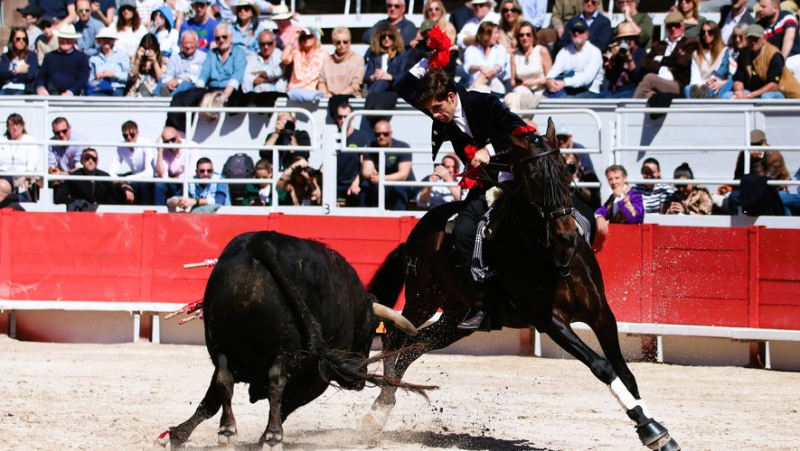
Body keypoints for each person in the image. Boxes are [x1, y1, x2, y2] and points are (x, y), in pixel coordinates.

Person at [395, 42, 530, 330]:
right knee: (464, 232)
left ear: (452, 97)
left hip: (517, 181)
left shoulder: (483, 102)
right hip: (486, 186)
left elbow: (522, 132)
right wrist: (428, 61)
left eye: (437, 108)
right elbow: (402, 87)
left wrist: (490, 151)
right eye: (429, 110)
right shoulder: (442, 112)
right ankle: (482, 304)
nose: (434, 116)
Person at [167, 23, 247, 131]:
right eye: (217, 38)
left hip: (231, 90)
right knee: (183, 96)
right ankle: (179, 126)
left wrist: (224, 95)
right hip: (212, 89)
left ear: (231, 37)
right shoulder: (211, 54)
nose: (221, 40)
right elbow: (204, 74)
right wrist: (197, 92)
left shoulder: (239, 53)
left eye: (224, 37)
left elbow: (237, 75)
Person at [633, 11, 699, 99]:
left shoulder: (689, 43)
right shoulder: (658, 45)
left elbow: (682, 62)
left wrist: (660, 59)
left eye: (677, 26)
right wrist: (660, 67)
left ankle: (629, 109)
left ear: (683, 26)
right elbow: (645, 63)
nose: (673, 29)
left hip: (677, 83)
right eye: (670, 26)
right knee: (649, 95)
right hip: (658, 81)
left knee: (649, 78)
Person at [725, 24, 800, 99]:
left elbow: (773, 85)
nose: (753, 42)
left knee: (766, 97)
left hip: (783, 93)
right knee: (727, 96)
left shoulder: (774, 54)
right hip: (756, 91)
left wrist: (749, 96)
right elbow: (739, 79)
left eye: (756, 39)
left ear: (764, 38)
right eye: (750, 38)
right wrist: (739, 93)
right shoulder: (744, 54)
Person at [358, 120, 415, 210]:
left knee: (398, 187)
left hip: (401, 184)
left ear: (391, 134)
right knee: (365, 185)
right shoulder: (370, 147)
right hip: (379, 183)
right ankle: (364, 216)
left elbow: (403, 175)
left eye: (385, 134)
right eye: (378, 134)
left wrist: (381, 178)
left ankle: (399, 217)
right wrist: (373, 176)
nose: (381, 137)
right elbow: (366, 172)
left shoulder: (402, 146)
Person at [545, 19, 604, 98]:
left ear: (587, 34)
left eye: (580, 31)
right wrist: (549, 80)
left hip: (589, 93)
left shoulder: (595, 52)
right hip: (568, 91)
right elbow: (555, 70)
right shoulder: (564, 51)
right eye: (574, 31)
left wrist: (564, 83)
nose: (577, 34)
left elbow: (586, 78)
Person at [504, 21, 552, 110]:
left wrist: (534, 82)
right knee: (510, 98)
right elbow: (513, 82)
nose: (524, 38)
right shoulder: (514, 55)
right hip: (522, 91)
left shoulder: (541, 51)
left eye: (528, 34)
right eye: (521, 35)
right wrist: (522, 83)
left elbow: (550, 78)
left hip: (540, 93)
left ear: (533, 36)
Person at [54, 148, 124, 209]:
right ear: (81, 161)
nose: (90, 161)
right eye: (87, 158)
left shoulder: (105, 177)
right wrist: (77, 202)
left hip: (102, 216)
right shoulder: (74, 177)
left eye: (94, 159)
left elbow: (114, 199)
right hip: (81, 214)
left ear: (97, 162)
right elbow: (59, 198)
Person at [35, 24, 91, 96]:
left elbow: (82, 79)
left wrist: (70, 92)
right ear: (58, 39)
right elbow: (40, 77)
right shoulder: (49, 57)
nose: (65, 41)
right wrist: (40, 88)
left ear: (74, 40)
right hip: (50, 95)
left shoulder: (82, 58)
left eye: (68, 39)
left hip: (73, 97)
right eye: (62, 38)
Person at [108, 121, 156, 205]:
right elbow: (111, 171)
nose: (129, 138)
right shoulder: (121, 146)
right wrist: (123, 183)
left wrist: (127, 179)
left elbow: (149, 173)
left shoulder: (145, 143)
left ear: (138, 133)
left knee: (144, 186)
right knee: (115, 187)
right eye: (125, 136)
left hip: (148, 180)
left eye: (132, 134)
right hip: (133, 179)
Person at [333, 102, 369, 206]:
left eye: (346, 117)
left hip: (356, 182)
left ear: (352, 118)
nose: (343, 120)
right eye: (340, 117)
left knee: (363, 192)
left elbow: (365, 164)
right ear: (335, 118)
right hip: (336, 183)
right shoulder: (332, 135)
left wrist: (356, 182)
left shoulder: (362, 136)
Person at [685, 20, 733, 98]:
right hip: (701, 85)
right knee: (687, 89)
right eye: (703, 32)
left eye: (710, 32)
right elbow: (694, 78)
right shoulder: (696, 54)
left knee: (729, 83)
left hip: (718, 84)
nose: (706, 35)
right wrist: (702, 85)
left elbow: (725, 72)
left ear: (716, 33)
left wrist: (717, 83)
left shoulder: (725, 51)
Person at [154, 126, 200, 205]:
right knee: (159, 185)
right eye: (166, 142)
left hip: (187, 183)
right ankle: (159, 213)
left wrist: (176, 178)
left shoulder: (192, 146)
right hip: (172, 183)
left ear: (178, 137)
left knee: (188, 183)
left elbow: (192, 173)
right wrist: (160, 151)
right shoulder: (165, 150)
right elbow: (161, 174)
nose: (170, 144)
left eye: (172, 140)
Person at [595, 165, 644, 237]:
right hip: (616, 237)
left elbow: (635, 220)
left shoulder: (635, 196)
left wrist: (621, 198)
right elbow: (601, 211)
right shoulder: (613, 197)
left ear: (625, 179)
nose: (613, 182)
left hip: (632, 238)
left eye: (617, 178)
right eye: (610, 179)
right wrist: (599, 217)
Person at [242, 30, 287, 106]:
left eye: (269, 43)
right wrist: (268, 78)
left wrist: (258, 73)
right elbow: (247, 79)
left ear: (275, 43)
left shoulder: (280, 56)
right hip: (256, 97)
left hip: (276, 98)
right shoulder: (253, 59)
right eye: (263, 44)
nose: (266, 47)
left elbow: (277, 72)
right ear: (259, 44)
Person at [318, 27, 365, 99]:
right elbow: (321, 82)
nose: (342, 45)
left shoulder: (358, 59)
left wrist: (340, 96)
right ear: (334, 43)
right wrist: (324, 93)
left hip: (350, 99)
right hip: (329, 99)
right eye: (338, 42)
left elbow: (356, 84)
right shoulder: (327, 61)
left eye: (345, 42)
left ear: (350, 42)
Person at [464, 21, 509, 95]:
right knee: (481, 88)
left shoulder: (500, 49)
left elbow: (500, 66)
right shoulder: (471, 49)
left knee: (484, 79)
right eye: (495, 33)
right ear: (486, 34)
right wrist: (480, 67)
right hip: (476, 83)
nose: (498, 36)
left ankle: (469, 93)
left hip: (494, 84)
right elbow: (469, 67)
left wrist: (488, 73)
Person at [282, 27, 326, 102]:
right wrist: (293, 39)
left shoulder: (323, 55)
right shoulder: (296, 53)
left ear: (315, 38)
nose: (306, 39)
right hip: (295, 91)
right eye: (303, 37)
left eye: (309, 37)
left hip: (312, 92)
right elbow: (284, 59)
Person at [602, 22, 646, 98]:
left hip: (632, 90)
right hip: (615, 90)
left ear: (634, 39)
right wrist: (612, 59)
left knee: (609, 99)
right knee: (596, 98)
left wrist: (628, 57)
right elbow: (610, 77)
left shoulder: (640, 52)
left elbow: (637, 77)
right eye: (623, 39)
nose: (627, 41)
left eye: (630, 38)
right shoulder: (618, 53)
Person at [757, 0, 800, 76]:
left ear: (775, 8)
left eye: (763, 7)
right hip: (774, 64)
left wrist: (781, 60)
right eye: (760, 6)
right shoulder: (760, 26)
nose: (760, 9)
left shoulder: (786, 16)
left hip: (794, 59)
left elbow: (789, 37)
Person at [0, 114, 39, 195]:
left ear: (23, 125)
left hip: (22, 177)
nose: (14, 128)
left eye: (17, 124)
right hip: (3, 176)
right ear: (7, 127)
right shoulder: (2, 140)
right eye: (11, 125)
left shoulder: (30, 140)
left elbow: (32, 163)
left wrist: (28, 179)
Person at [161, 30, 207, 96]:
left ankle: (172, 98)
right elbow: (168, 74)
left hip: (192, 87)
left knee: (185, 84)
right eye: (185, 43)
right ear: (181, 44)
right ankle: (153, 96)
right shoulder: (174, 58)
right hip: (173, 84)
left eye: (191, 43)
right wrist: (169, 82)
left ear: (197, 43)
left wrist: (180, 81)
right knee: (162, 81)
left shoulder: (203, 57)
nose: (188, 46)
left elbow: (199, 77)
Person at [87, 27, 130, 96]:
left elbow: (128, 76)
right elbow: (89, 78)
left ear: (113, 41)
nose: (106, 41)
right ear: (99, 41)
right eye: (104, 38)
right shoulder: (93, 57)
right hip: (99, 88)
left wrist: (114, 74)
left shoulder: (122, 55)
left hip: (116, 88)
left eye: (109, 39)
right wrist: (96, 77)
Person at [0, 27, 39, 95]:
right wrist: (17, 71)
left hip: (22, 89)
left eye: (24, 39)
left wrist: (11, 76)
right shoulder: (6, 57)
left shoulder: (31, 56)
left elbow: (30, 76)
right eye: (18, 39)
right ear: (12, 40)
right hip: (6, 89)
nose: (21, 41)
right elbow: (1, 74)